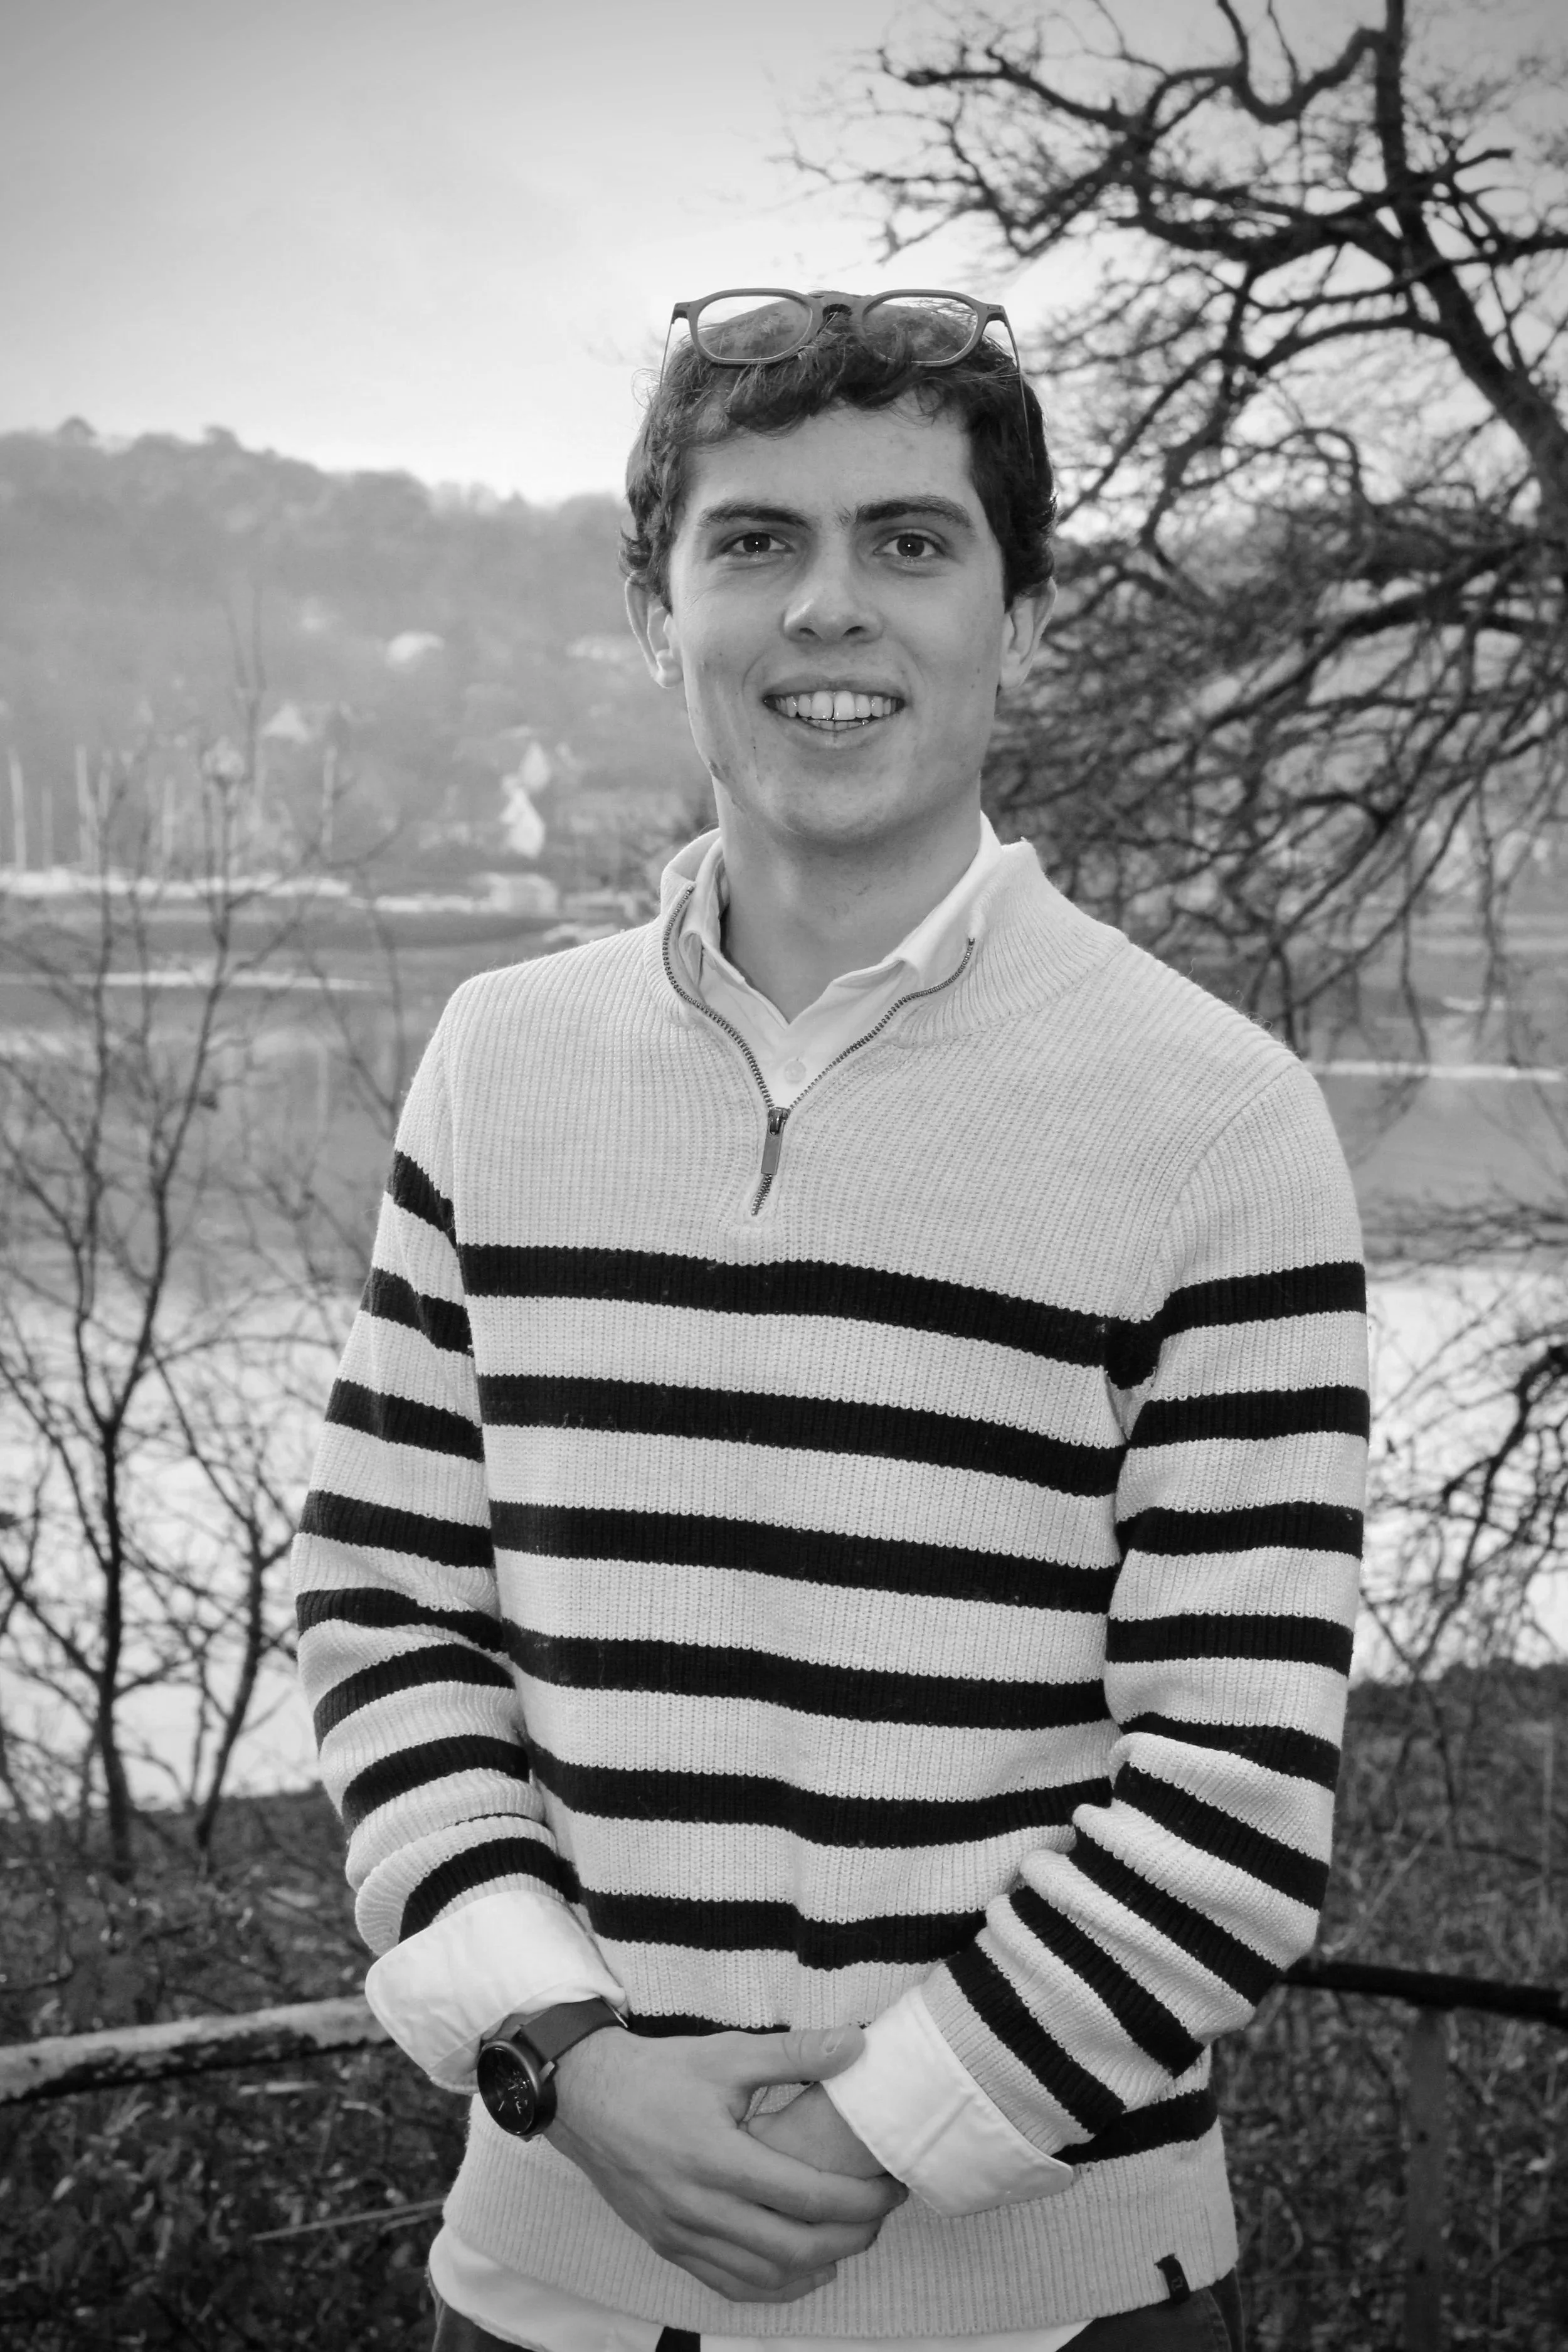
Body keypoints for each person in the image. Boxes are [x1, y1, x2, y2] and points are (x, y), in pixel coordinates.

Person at [292, 288, 1367, 2352]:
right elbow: (386, 1613)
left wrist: (875, 2136)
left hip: (1059, 2301)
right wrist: (566, 2057)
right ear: (655, 606)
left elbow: (1232, 1777)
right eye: (755, 541)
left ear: (1021, 616)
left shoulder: (1215, 1116)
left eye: (910, 539)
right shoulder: (498, 1066)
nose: (828, 609)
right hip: (544, 2278)